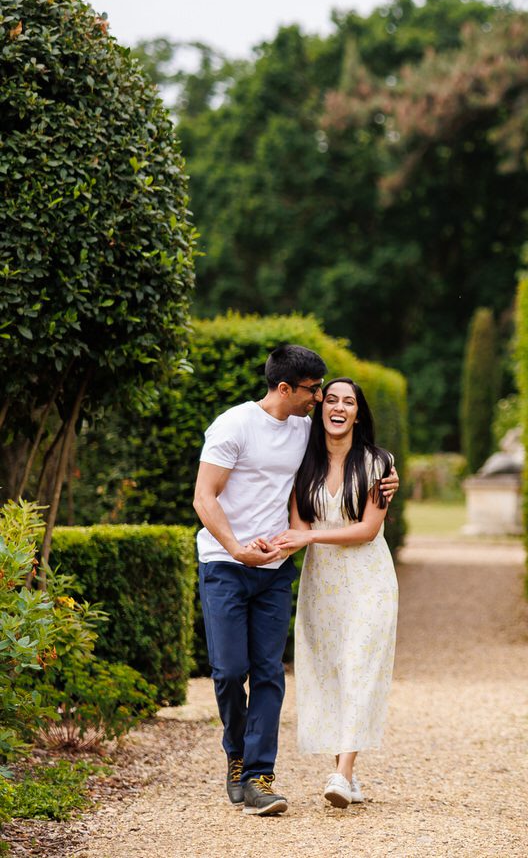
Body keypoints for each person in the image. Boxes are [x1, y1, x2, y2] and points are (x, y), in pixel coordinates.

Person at [192, 345, 396, 817]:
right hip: (224, 564)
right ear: (285, 388)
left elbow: (355, 453)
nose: (321, 399)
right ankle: (237, 754)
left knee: (268, 673)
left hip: (275, 570)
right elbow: (204, 497)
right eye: (314, 390)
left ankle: (259, 776)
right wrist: (236, 548)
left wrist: (389, 478)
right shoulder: (233, 426)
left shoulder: (306, 430)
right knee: (228, 672)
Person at [270, 377, 398, 809]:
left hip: (369, 579)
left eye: (349, 402)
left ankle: (341, 775)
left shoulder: (378, 463)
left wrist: (308, 538)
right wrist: (269, 547)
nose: (339, 407)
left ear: (358, 414)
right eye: (332, 400)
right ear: (321, 408)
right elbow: (297, 529)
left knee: (359, 665)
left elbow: (368, 530)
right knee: (330, 672)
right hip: (322, 583)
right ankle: (348, 771)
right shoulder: (303, 465)